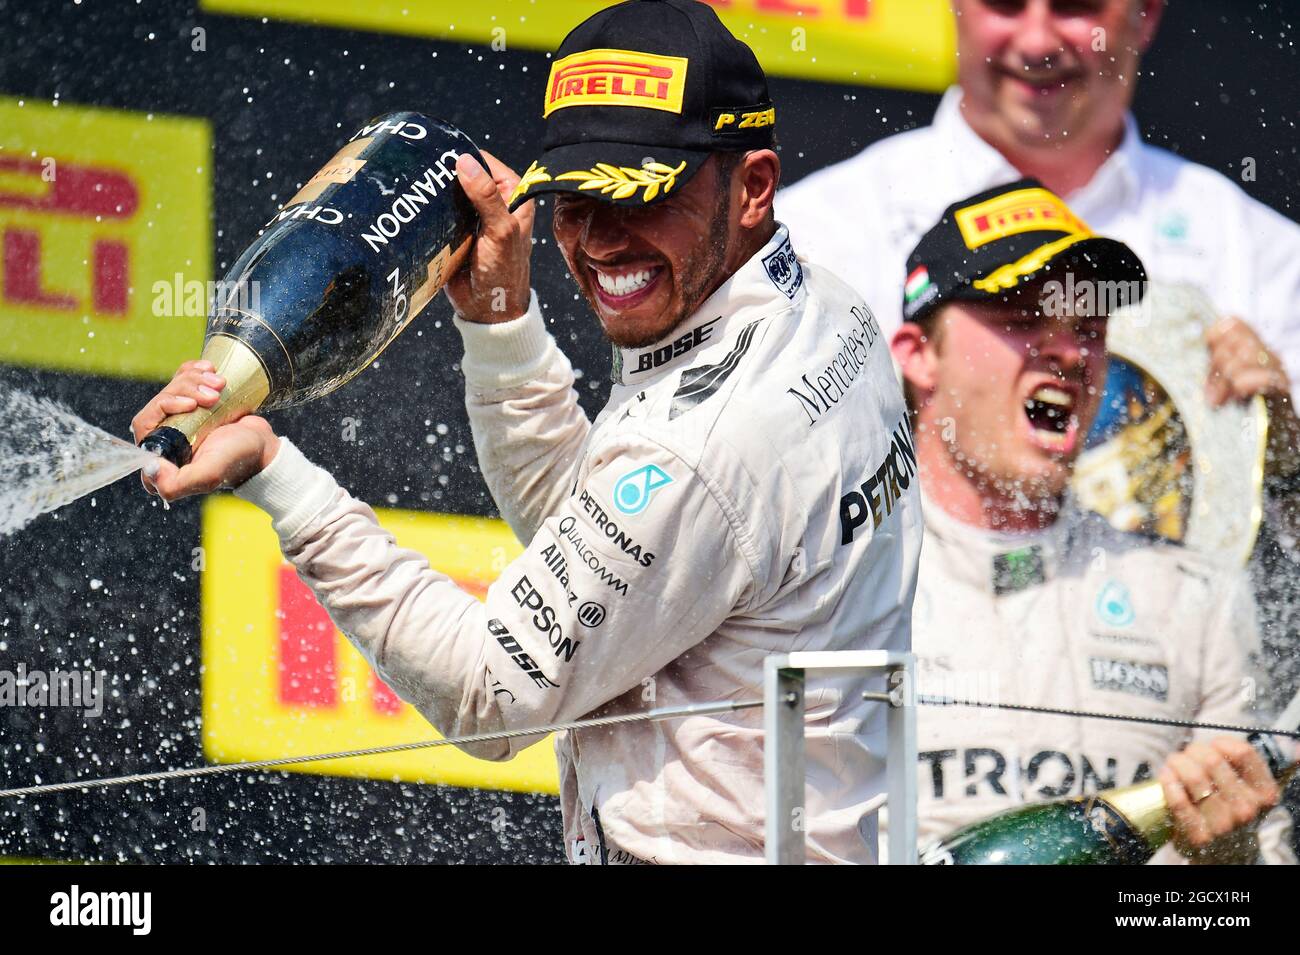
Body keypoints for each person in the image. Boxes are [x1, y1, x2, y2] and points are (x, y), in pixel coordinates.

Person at [130, 0, 922, 864]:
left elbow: (489, 696)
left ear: (753, 186)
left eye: (641, 197)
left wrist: (276, 473)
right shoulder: (829, 307)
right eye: (576, 200)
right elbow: (619, 539)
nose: (598, 241)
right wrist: (501, 323)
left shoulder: (706, 443)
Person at [891, 179, 1293, 863]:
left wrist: (1227, 853)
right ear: (917, 354)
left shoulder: (1196, 600)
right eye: (1022, 316)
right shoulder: (832, 578)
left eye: (1088, 328)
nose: (1071, 353)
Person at [778, 0, 1299, 483]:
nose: (1035, 44)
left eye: (1074, 5)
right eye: (1005, 3)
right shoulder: (812, 236)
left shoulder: (1264, 256)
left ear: (1147, 13)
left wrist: (1284, 464)